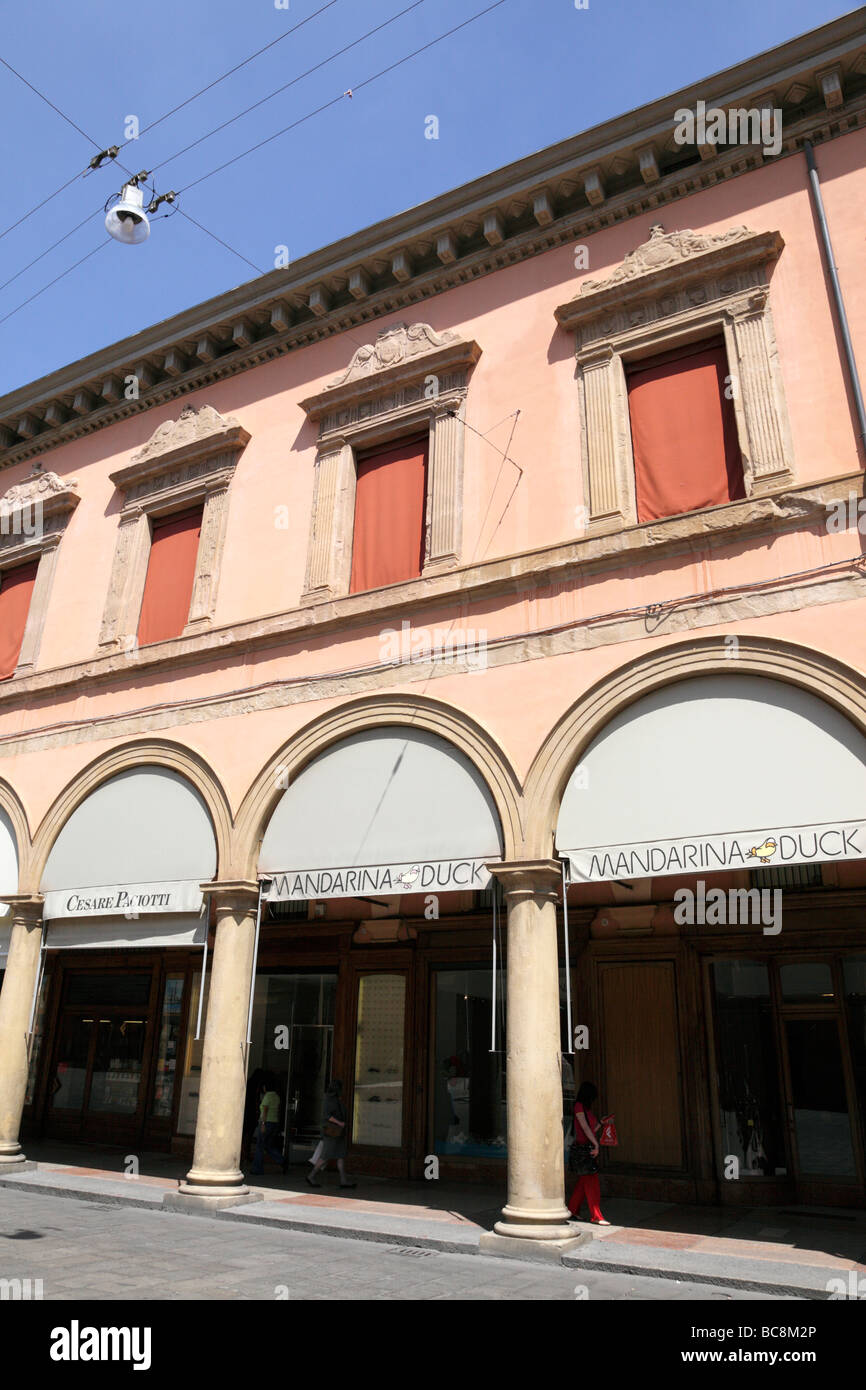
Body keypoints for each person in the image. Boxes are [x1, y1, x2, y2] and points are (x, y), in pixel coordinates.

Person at [567, 1081, 610, 1225]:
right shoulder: (579, 1106)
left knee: (584, 1182)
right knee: (591, 1182)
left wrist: (601, 1123)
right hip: (584, 1149)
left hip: (585, 1147)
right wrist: (595, 1144)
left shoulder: (584, 1109)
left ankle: (572, 1211)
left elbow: (590, 1129)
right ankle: (596, 1216)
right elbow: (585, 1128)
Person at [307, 1079, 356, 1189]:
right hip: (332, 1132)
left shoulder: (334, 1099)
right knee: (326, 1155)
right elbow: (327, 1116)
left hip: (338, 1133)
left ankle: (343, 1181)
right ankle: (311, 1176)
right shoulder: (330, 1100)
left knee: (340, 1155)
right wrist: (340, 1123)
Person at [250, 1071, 285, 1175]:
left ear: (266, 1087)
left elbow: (265, 1111)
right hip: (274, 1123)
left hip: (266, 1123)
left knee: (260, 1146)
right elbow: (278, 1111)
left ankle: (257, 1169)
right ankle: (281, 1160)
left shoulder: (267, 1097)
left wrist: (263, 1124)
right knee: (268, 1145)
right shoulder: (276, 1097)